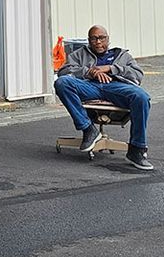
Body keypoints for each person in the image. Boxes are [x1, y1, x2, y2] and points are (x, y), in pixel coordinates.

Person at [53, 25, 154, 171]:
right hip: (89, 87)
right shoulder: (79, 54)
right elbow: (64, 71)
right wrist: (89, 72)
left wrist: (110, 68)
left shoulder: (122, 55)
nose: (98, 42)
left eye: (101, 38)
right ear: (89, 41)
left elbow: (138, 74)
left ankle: (136, 150)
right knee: (61, 83)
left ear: (108, 39)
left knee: (142, 97)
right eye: (93, 38)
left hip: (115, 87)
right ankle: (88, 129)